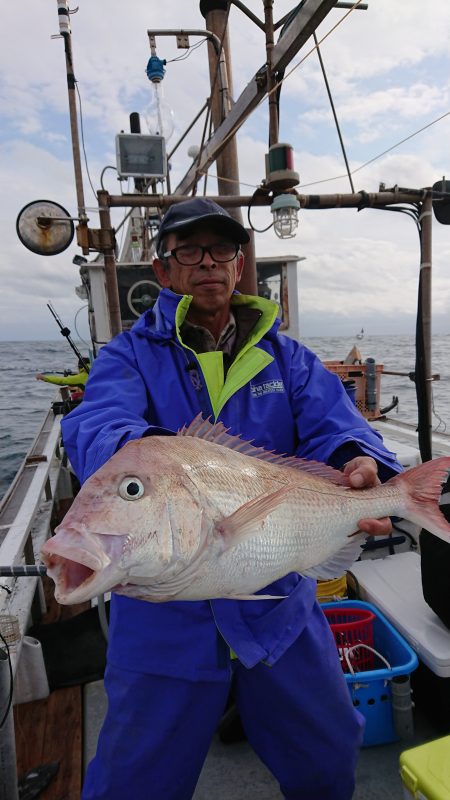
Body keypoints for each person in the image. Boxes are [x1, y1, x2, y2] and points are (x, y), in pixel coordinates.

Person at [61, 197, 401, 800]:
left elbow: (336, 426)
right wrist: (149, 464)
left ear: (240, 265)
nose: (208, 262)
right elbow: (97, 422)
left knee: (327, 757)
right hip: (162, 615)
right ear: (163, 269)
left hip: (277, 601)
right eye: (188, 250)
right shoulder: (127, 356)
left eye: (222, 249)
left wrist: (358, 463)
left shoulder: (288, 359)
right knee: (133, 781)